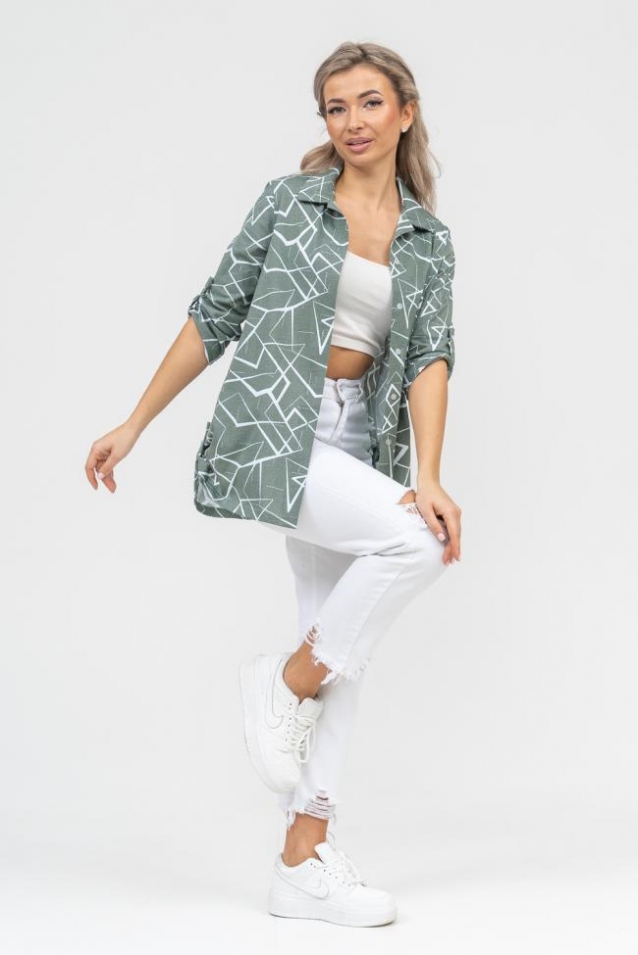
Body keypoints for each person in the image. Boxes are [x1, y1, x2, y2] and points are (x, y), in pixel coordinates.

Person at [84, 41, 462, 928]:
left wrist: (431, 473)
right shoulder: (289, 203)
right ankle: (286, 683)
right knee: (409, 549)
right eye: (336, 107)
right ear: (324, 120)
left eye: (370, 102)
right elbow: (216, 310)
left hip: (364, 436)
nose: (353, 122)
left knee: (346, 643)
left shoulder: (428, 240)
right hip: (279, 428)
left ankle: (302, 857)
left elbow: (431, 357)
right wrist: (135, 421)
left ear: (405, 112)